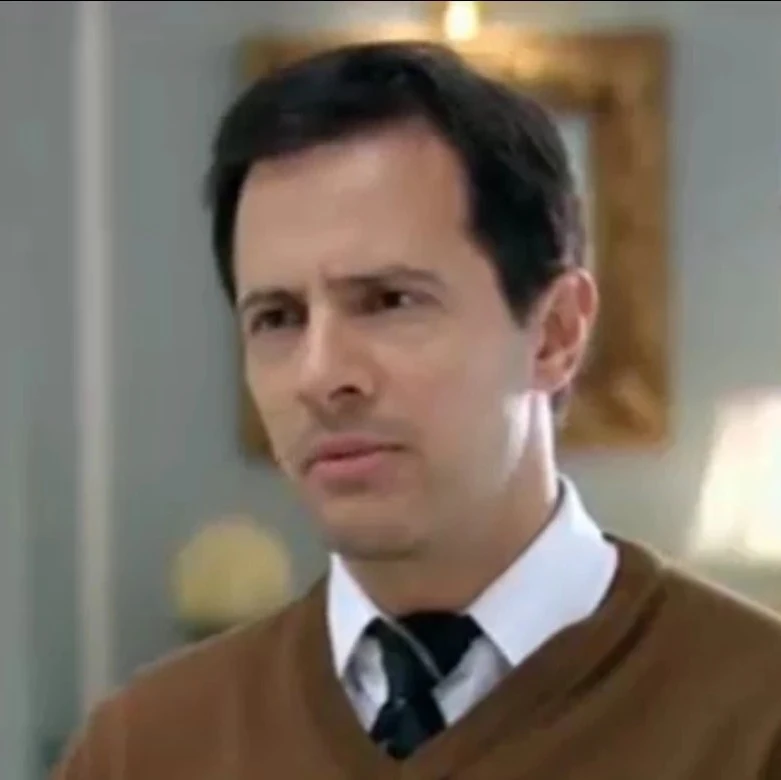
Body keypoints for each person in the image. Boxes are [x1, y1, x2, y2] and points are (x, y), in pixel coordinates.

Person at [54, 40, 781, 780]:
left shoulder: (756, 722)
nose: (321, 375)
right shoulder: (141, 749)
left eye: (389, 301)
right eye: (277, 318)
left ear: (556, 334)